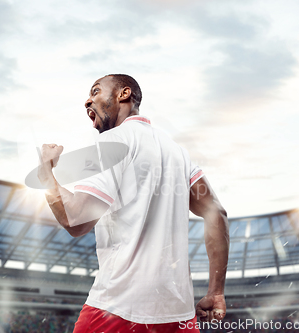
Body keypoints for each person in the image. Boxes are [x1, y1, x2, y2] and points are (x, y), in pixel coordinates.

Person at [37, 74, 229, 332]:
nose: (87, 101)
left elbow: (75, 220)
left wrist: (46, 174)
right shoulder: (177, 152)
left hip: (117, 311)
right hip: (178, 317)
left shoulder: (112, 142)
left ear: (123, 94)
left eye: (95, 91)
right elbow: (216, 212)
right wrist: (216, 292)